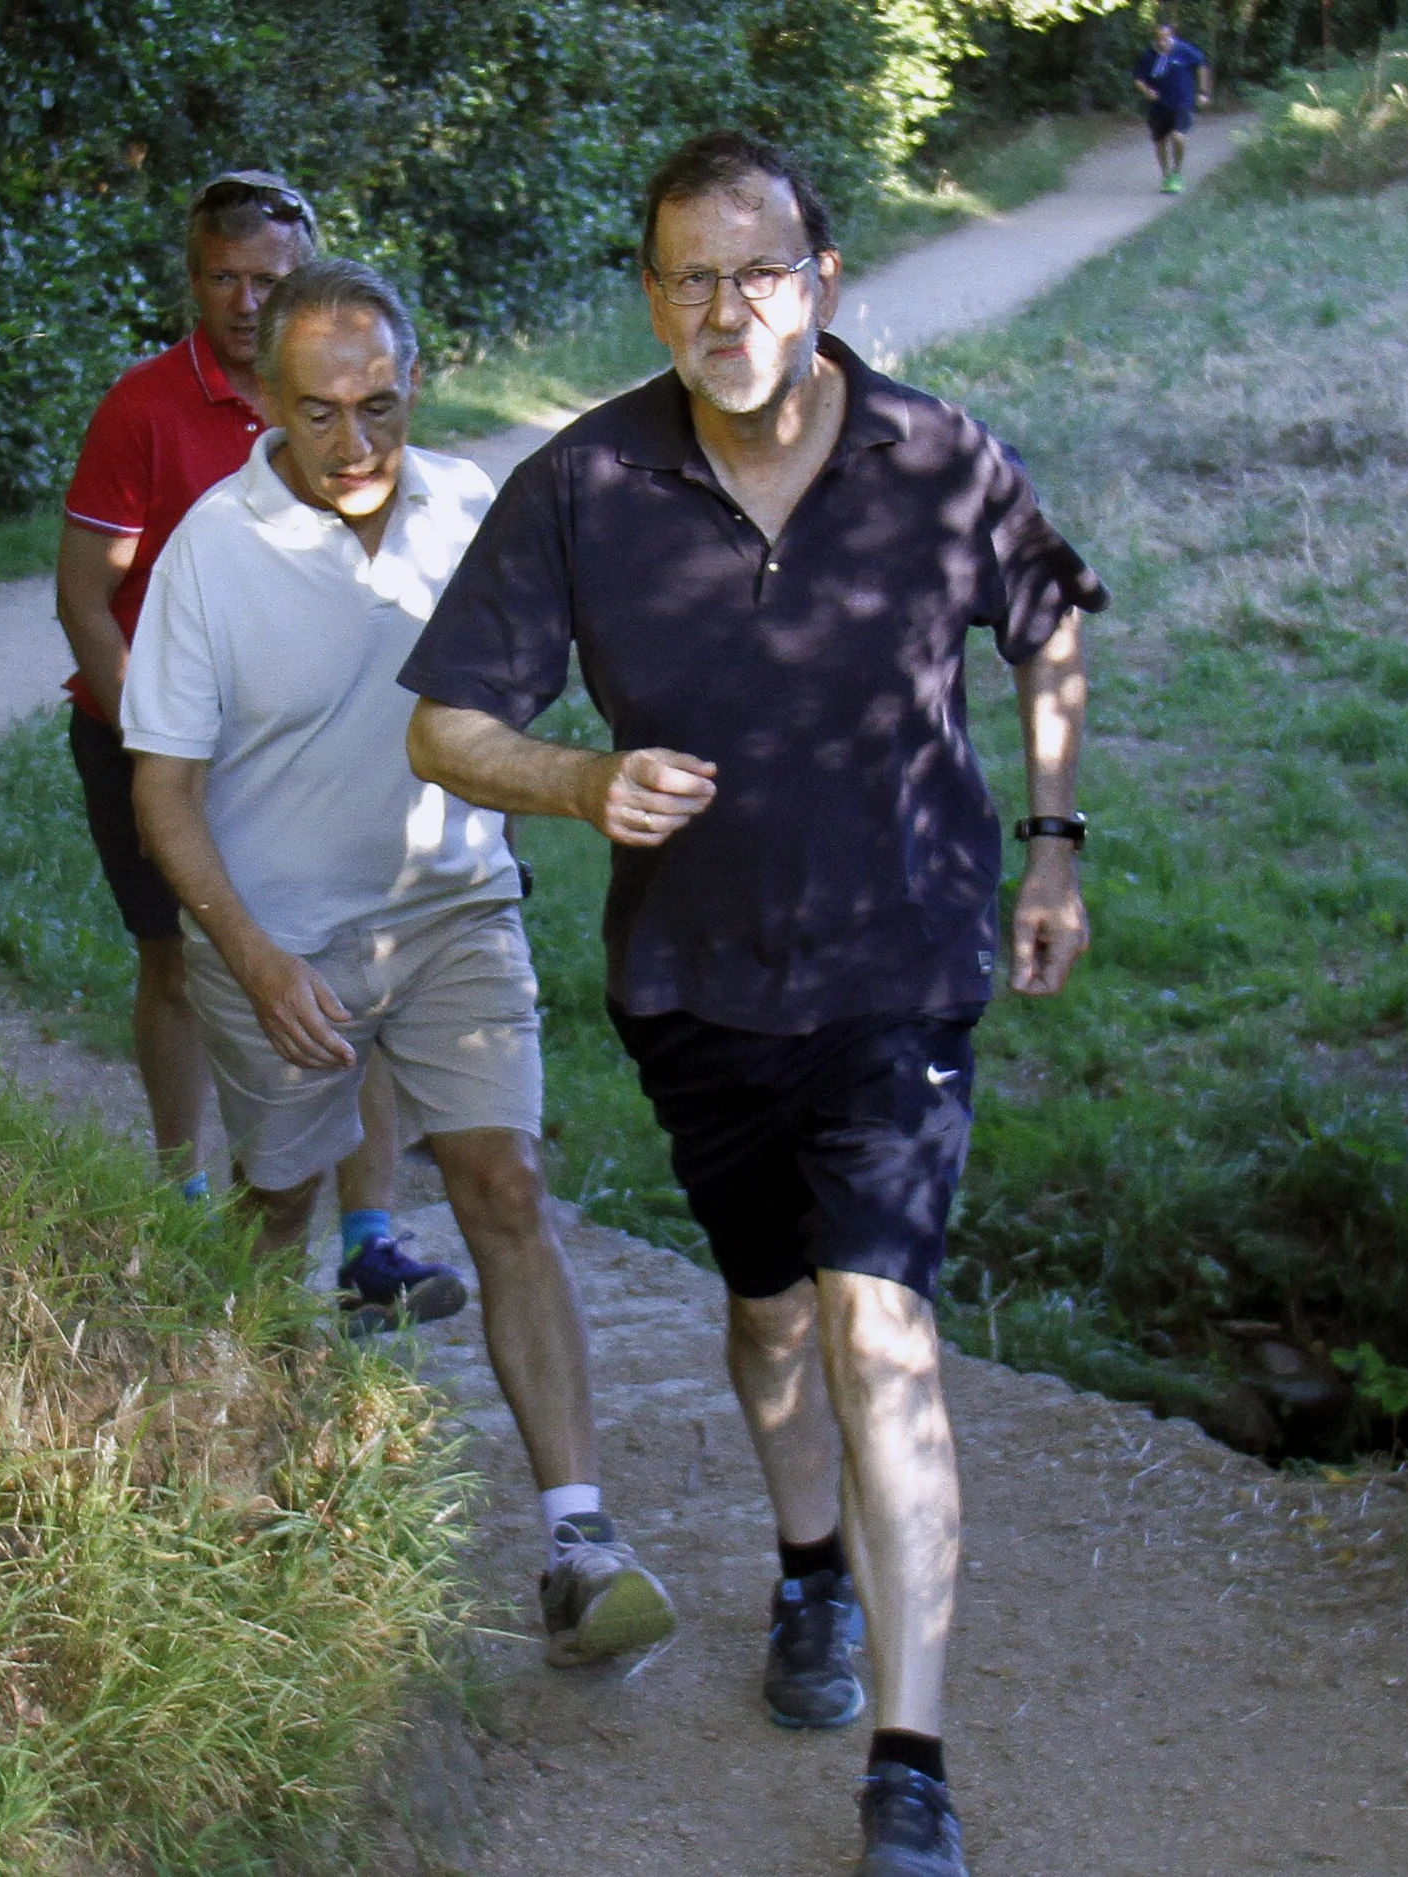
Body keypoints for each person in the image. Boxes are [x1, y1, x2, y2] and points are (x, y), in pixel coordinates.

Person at [401, 132, 1101, 1877]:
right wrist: (577, 781)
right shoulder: (584, 480)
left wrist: (1056, 847)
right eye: (688, 276)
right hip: (697, 980)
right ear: (651, 296)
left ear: (826, 277)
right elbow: (443, 722)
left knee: (881, 1325)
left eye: (758, 268)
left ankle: (911, 1764)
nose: (726, 306)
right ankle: (809, 1576)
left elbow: (1049, 627)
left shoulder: (939, 457)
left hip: (906, 954)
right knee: (774, 1315)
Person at [123, 258, 678, 1668]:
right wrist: (249, 958)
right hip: (280, 935)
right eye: (320, 415)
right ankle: (219, 1463)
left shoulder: (472, 510)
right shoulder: (208, 550)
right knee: (281, 1199)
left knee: (506, 1182)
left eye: (380, 405)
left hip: (453, 906)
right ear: (262, 398)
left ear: (415, 381)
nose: (357, 447)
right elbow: (162, 793)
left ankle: (577, 1537)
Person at [60, 172, 416, 1229]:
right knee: (176, 960)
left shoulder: (354, 399)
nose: (248, 298)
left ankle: (372, 1233)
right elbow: (87, 599)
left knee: (365, 962)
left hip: (303, 741)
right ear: (194, 280)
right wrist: (159, 739)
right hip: (146, 733)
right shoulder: (143, 405)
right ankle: (181, 1180)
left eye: (270, 276)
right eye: (224, 277)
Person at [1134, 19, 1210, 194]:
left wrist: (1203, 92)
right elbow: (1138, 78)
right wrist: (1147, 91)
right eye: (1158, 38)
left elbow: (1202, 66)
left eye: (1165, 37)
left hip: (1181, 102)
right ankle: (1166, 175)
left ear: (1171, 36)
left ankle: (1177, 172)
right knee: (1160, 141)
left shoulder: (1184, 51)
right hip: (1158, 105)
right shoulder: (1149, 55)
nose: (1162, 42)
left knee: (1178, 137)